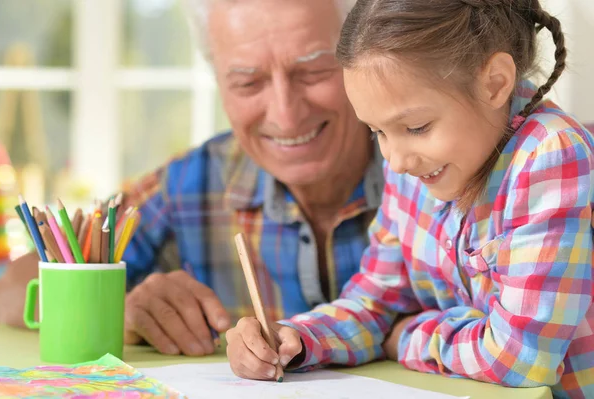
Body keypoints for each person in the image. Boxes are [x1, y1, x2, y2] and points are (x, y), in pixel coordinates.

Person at [225, 0, 594, 397]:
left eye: (416, 127)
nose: (395, 160)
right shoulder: (414, 168)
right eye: (377, 132)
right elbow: (374, 302)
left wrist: (406, 336)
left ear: (495, 83)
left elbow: (521, 359)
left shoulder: (550, 155)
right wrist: (298, 339)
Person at [0, 0, 385, 358]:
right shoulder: (189, 184)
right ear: (218, 82)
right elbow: (11, 289)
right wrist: (118, 310)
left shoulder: (426, 175)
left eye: (314, 71)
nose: (285, 115)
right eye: (248, 83)